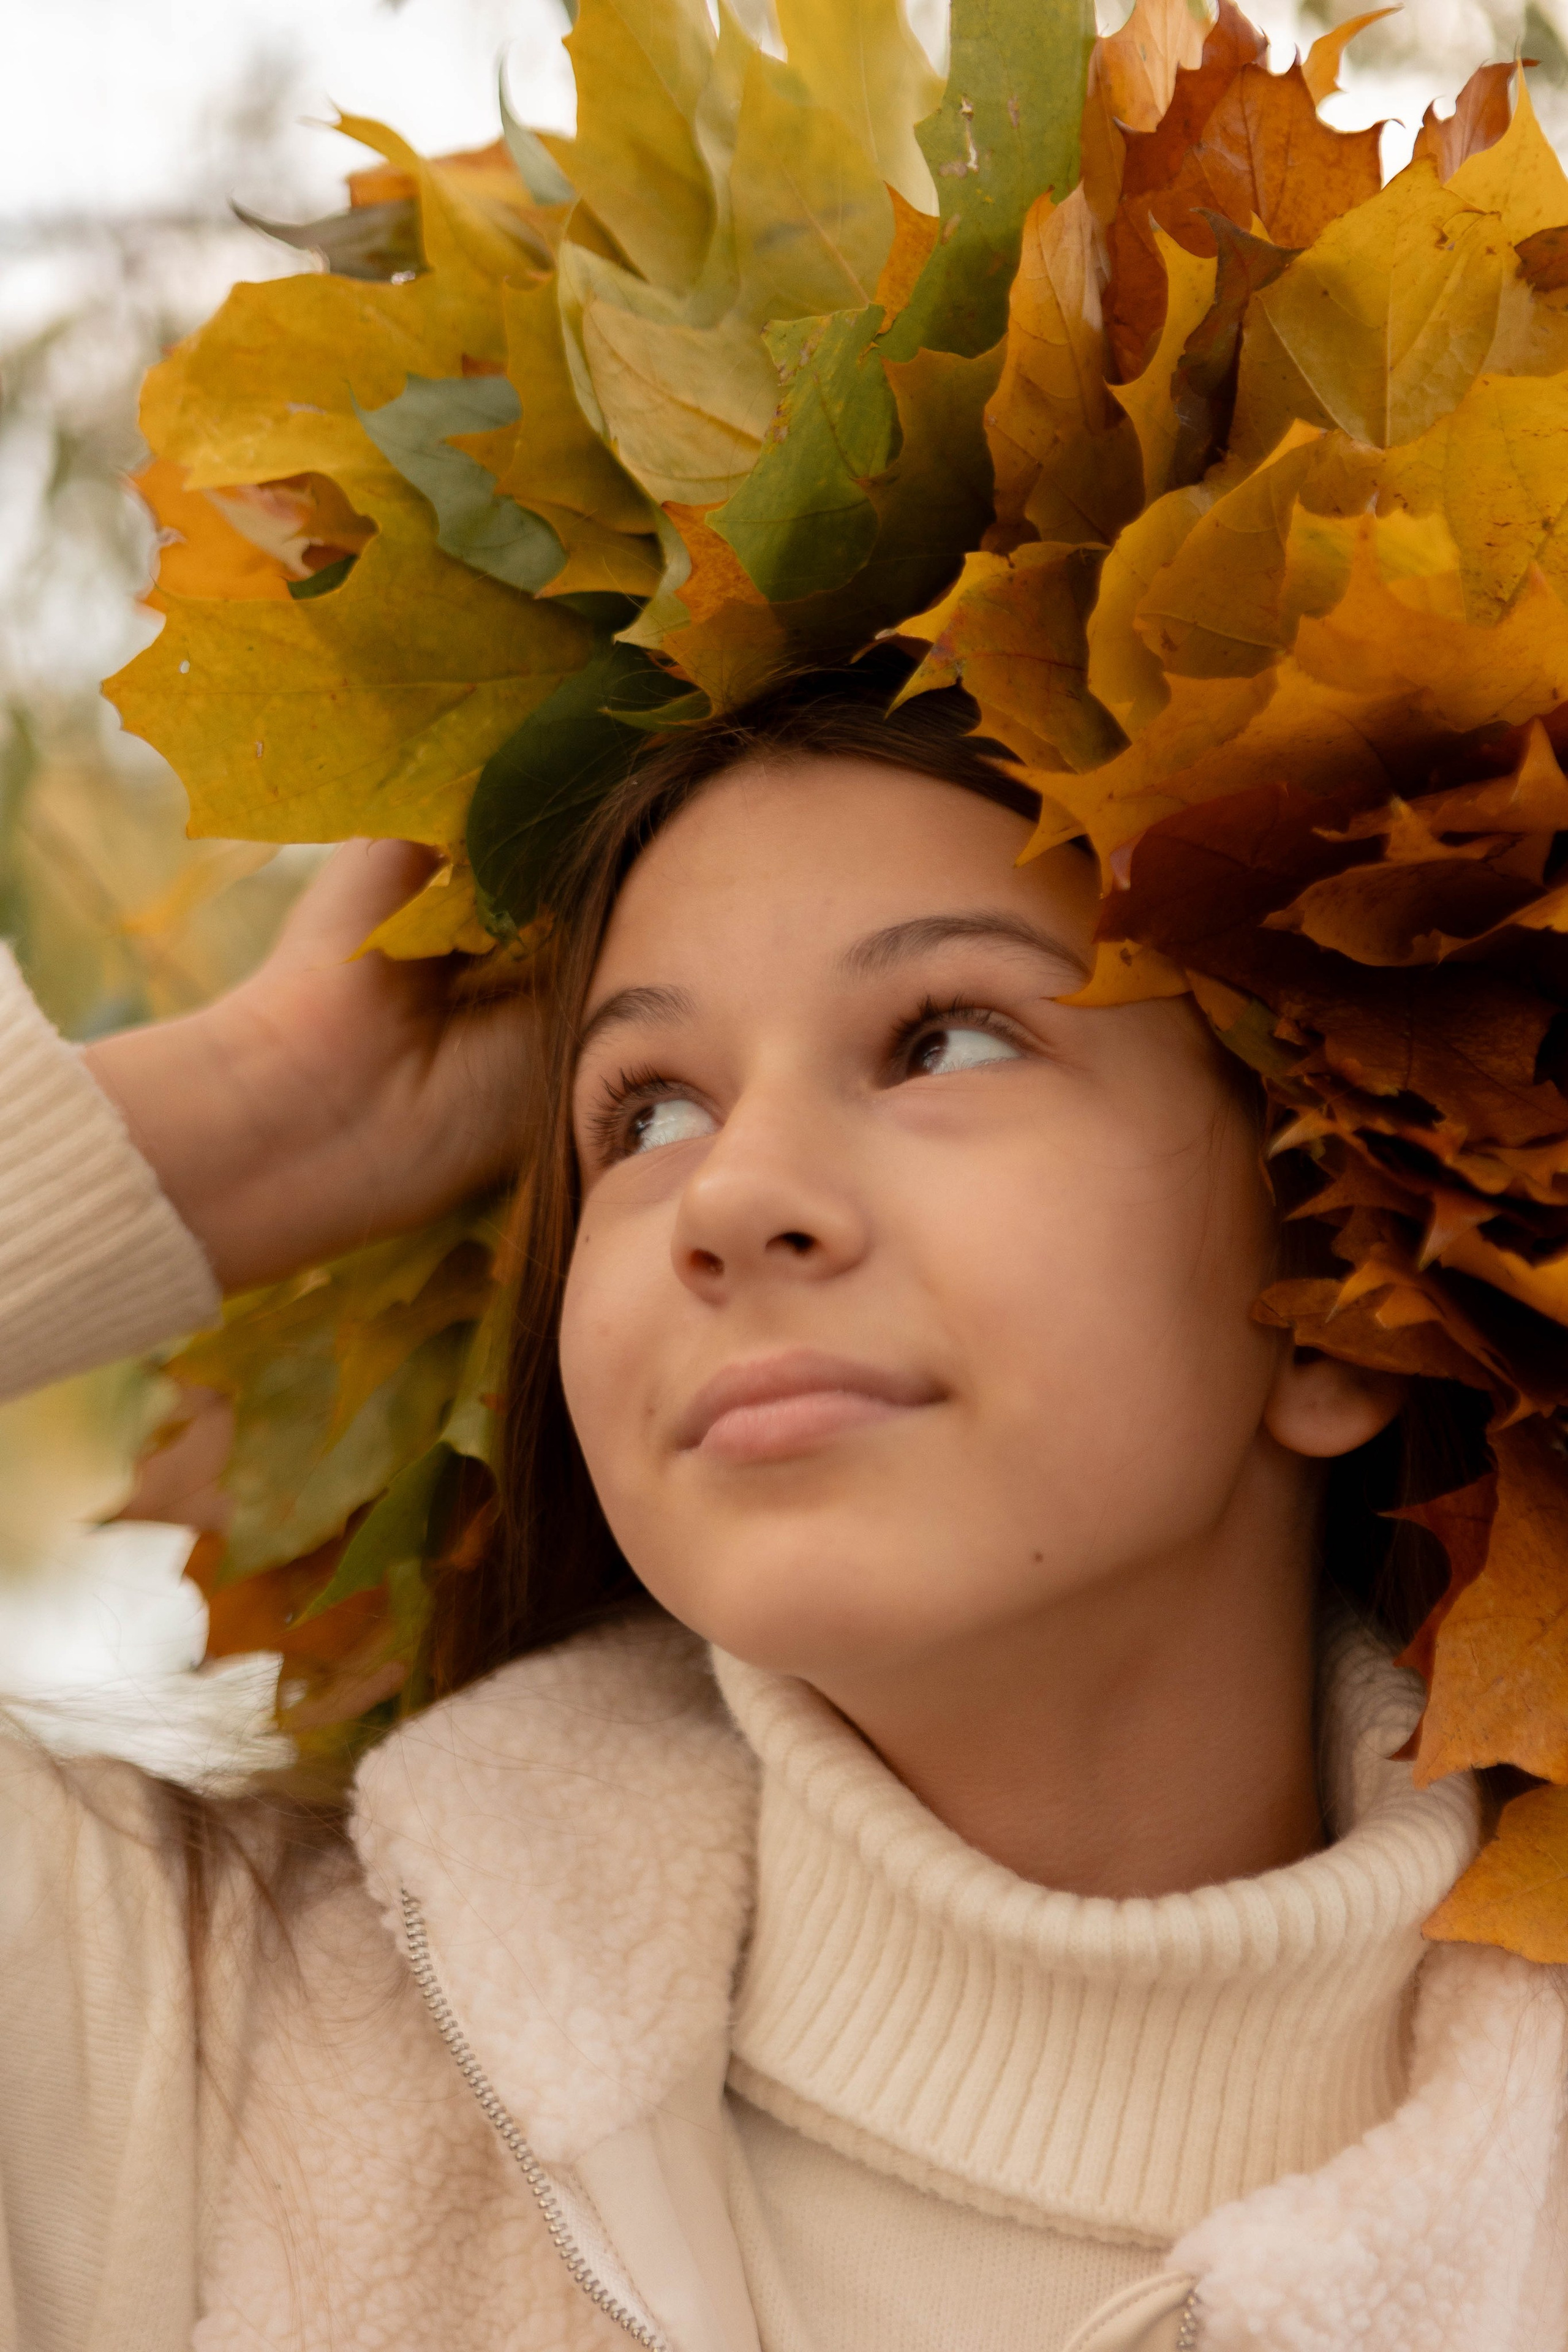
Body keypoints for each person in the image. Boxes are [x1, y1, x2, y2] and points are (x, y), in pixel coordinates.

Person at [2, 668, 1560, 2352]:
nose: (729, 1199)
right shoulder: (180, 2058)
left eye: (944, 1038)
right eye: (648, 1111)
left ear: (1340, 1286)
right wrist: (264, 1115)